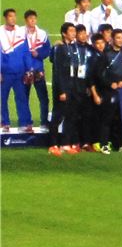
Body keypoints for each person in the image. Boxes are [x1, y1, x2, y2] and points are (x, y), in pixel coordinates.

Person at [96, 29, 122, 154]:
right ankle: (104, 144)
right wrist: (109, 83)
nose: (121, 40)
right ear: (112, 39)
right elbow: (99, 73)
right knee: (107, 118)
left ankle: (121, 145)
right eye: (118, 38)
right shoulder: (106, 54)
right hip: (109, 91)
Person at [48, 23, 78, 156]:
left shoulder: (72, 47)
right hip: (62, 89)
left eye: (74, 31)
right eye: (71, 31)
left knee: (70, 116)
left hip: (72, 87)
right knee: (57, 117)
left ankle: (66, 144)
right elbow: (58, 72)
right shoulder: (59, 48)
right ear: (64, 33)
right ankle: (53, 145)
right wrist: (62, 91)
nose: (74, 33)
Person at [0, 8, 33, 133]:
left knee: (22, 98)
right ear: (5, 18)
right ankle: (4, 123)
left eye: (14, 16)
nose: (13, 18)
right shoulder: (0, 33)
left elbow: (26, 52)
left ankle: (25, 123)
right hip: (5, 73)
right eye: (10, 16)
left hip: (19, 72)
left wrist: (29, 69)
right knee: (2, 98)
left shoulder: (20, 32)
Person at [23, 10, 50, 131]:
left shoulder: (42, 34)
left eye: (34, 18)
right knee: (24, 97)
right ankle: (26, 122)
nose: (33, 20)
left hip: (38, 70)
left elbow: (47, 50)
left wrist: (38, 54)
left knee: (43, 97)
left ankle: (44, 122)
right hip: (25, 70)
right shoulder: (20, 33)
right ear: (26, 20)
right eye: (30, 19)